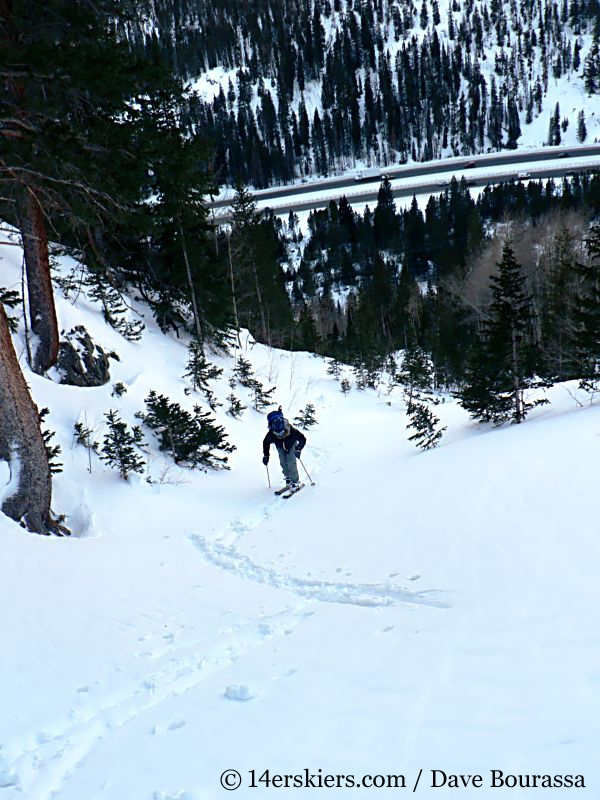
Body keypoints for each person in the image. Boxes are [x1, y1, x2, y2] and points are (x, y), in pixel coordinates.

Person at [262, 407, 306, 489]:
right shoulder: (271, 434)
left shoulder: (293, 431)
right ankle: (288, 478)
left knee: (291, 461)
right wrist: (266, 455)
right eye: (276, 433)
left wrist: (299, 448)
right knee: (283, 462)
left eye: (281, 432)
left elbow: (303, 439)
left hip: (291, 444)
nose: (279, 435)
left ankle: (295, 481)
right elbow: (266, 443)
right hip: (280, 446)